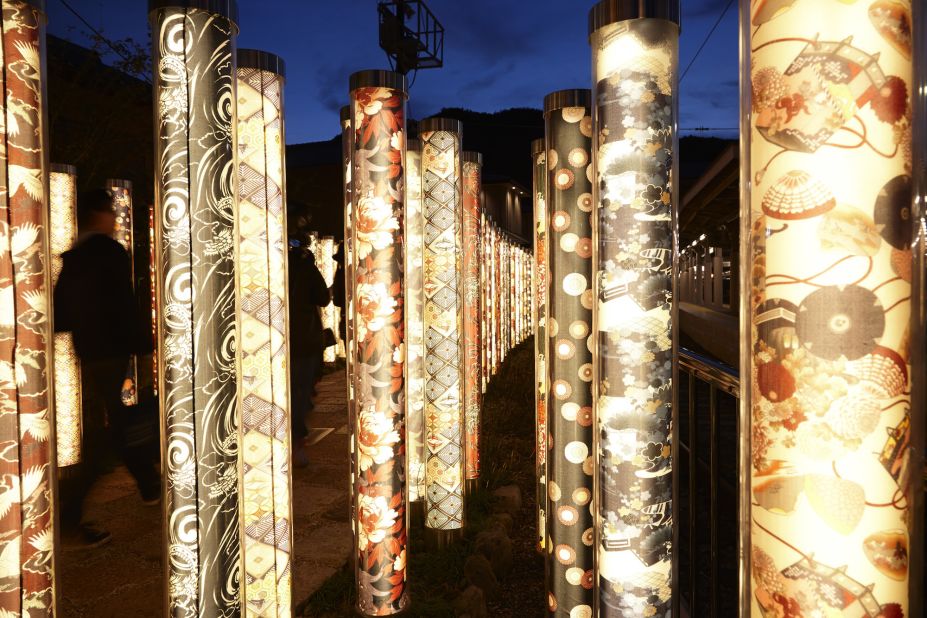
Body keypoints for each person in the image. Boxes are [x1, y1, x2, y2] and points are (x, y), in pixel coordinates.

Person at [54, 188, 159, 547]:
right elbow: (124, 304)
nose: (116, 220)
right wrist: (143, 347)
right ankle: (74, 510)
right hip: (113, 350)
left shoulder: (73, 257)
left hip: (88, 351)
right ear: (100, 216)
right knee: (117, 427)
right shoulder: (109, 253)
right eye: (111, 214)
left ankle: (148, 482)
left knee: (115, 420)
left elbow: (61, 312)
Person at [288, 226, 331, 467]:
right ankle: (297, 444)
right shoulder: (304, 266)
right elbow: (323, 298)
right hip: (303, 339)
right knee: (299, 392)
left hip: (268, 341)